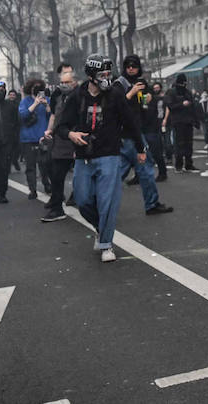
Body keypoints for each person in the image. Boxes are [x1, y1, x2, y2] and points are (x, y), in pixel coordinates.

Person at [56, 54, 145, 262]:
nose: (106, 77)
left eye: (108, 73)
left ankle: (106, 244)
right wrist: (71, 135)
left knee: (108, 201)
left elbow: (131, 122)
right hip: (83, 157)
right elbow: (61, 125)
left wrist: (141, 148)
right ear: (91, 75)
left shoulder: (115, 94)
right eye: (102, 74)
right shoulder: (77, 96)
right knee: (83, 199)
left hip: (109, 154)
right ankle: (100, 226)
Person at [115, 55, 173, 217]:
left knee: (119, 171)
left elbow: (144, 107)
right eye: (128, 66)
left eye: (134, 66)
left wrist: (147, 99)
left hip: (135, 130)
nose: (131, 68)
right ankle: (151, 203)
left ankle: (96, 199)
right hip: (129, 132)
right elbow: (116, 106)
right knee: (144, 168)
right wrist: (132, 93)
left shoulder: (141, 83)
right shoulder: (120, 84)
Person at [41, 63, 79, 223]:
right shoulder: (59, 95)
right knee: (56, 174)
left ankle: (71, 200)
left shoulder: (80, 96)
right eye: (62, 82)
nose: (64, 85)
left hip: (75, 140)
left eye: (67, 81)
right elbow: (54, 116)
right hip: (60, 140)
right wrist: (49, 130)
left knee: (80, 175)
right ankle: (57, 206)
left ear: (74, 82)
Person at [18, 79, 52, 201]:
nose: (37, 89)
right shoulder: (25, 101)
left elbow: (51, 116)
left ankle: (47, 184)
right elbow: (22, 115)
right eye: (34, 87)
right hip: (28, 139)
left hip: (43, 138)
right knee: (30, 166)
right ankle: (32, 190)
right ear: (30, 89)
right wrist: (35, 103)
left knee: (45, 164)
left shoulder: (47, 100)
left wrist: (46, 105)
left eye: (39, 87)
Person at [167, 75, 198, 172]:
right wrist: (182, 104)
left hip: (188, 121)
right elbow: (170, 106)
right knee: (179, 144)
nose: (184, 85)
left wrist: (195, 121)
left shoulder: (188, 92)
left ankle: (189, 164)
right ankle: (179, 165)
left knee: (189, 144)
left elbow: (193, 106)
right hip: (178, 121)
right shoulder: (172, 92)